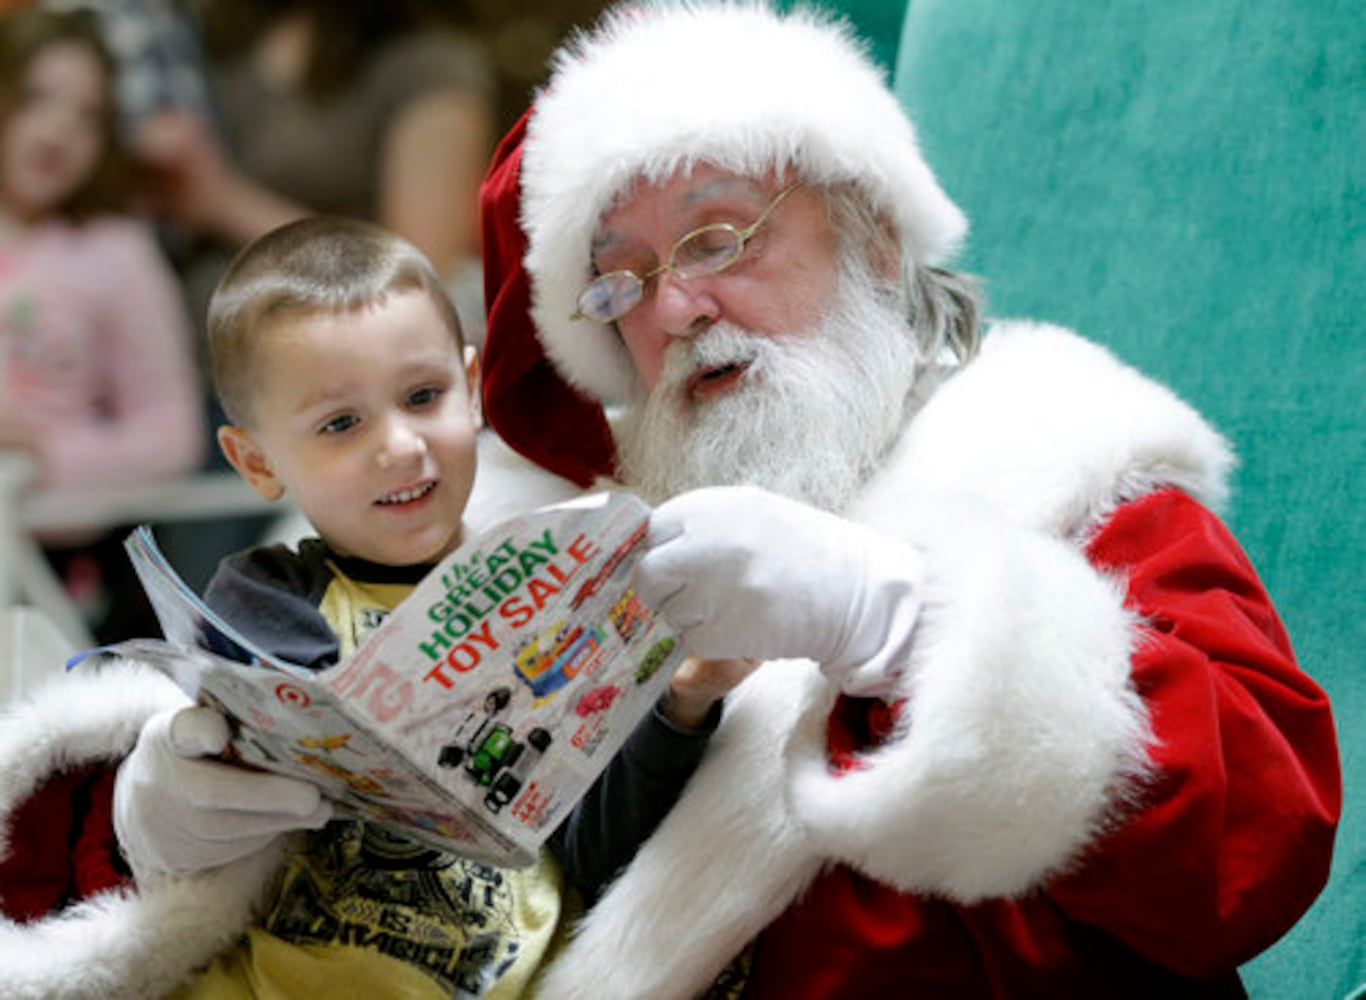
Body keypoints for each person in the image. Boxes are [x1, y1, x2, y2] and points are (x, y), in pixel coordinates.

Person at [474, 2, 1343, 996]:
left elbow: (1255, 852)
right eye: (623, 283)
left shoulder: (1064, 462)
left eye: (716, 238)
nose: (674, 307)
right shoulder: (598, 561)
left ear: (874, 240)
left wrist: (901, 623)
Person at [0, 216, 731, 996]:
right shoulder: (268, 594)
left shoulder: (551, 601)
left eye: (423, 397)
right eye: (341, 423)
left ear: (472, 391)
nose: (400, 446)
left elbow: (593, 856)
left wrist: (680, 707)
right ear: (257, 461)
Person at [0, 5, 204, 640]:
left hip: (51, 565)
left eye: (87, 116)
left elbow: (171, 435)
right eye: (38, 99)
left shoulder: (116, 254)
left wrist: (48, 461)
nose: (58, 131)